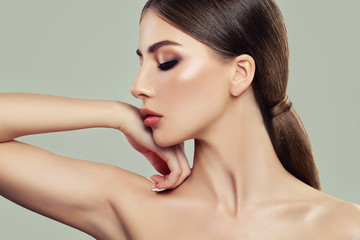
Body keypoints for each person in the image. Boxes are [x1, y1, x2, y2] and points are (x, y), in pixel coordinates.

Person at [0, 0, 359, 239]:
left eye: (167, 61)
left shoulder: (344, 228)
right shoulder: (129, 206)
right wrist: (115, 114)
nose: (138, 86)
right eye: (141, 61)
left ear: (240, 73)